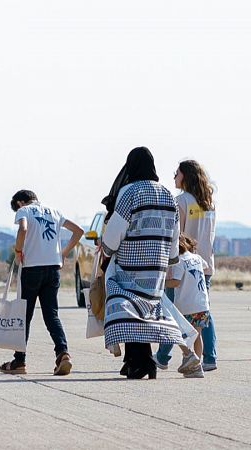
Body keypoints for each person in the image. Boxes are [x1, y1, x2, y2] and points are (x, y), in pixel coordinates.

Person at [101, 147, 184, 379]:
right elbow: (175, 234)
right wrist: (170, 260)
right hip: (156, 266)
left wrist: (106, 249)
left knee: (127, 309)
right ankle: (138, 361)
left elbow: (114, 233)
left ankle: (140, 362)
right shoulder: (168, 194)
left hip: (130, 264)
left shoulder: (129, 193)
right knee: (145, 310)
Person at [0, 190, 83, 376]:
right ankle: (63, 354)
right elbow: (79, 231)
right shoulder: (54, 211)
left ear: (21, 203)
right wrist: (63, 252)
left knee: (24, 315)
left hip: (32, 269)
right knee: (51, 315)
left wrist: (18, 250)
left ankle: (19, 361)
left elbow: (23, 229)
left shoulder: (25, 211)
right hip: (53, 268)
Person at [154, 159, 219, 371]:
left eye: (177, 173)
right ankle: (209, 357)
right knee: (202, 311)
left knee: (173, 312)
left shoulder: (180, 201)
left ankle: (163, 356)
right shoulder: (208, 203)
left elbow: (176, 236)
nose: (174, 177)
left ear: (186, 176)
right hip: (204, 264)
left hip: (182, 263)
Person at [164, 234, 210, 378]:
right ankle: (197, 366)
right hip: (202, 304)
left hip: (186, 305)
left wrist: (161, 282)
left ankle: (190, 357)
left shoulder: (179, 261)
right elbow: (206, 266)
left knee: (176, 334)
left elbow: (175, 282)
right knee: (197, 336)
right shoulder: (196, 258)